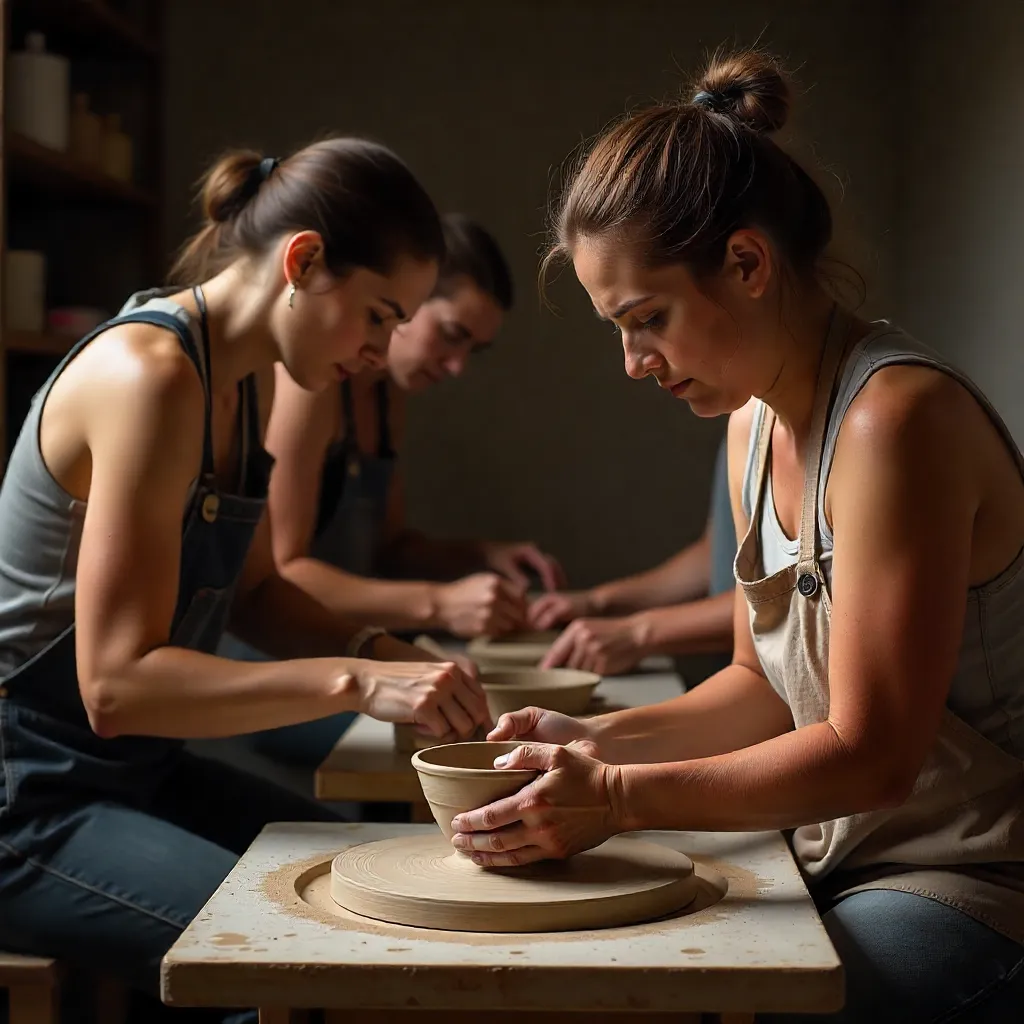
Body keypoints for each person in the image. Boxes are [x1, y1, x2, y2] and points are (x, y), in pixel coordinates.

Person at [450, 52, 1024, 1023]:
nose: (633, 363)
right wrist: (589, 741)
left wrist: (618, 796)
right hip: (824, 852)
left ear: (748, 264)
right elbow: (758, 686)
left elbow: (873, 756)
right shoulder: (749, 424)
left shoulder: (896, 421)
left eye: (647, 320)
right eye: (616, 329)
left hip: (967, 878)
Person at [0, 137, 490, 1010]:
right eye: (379, 314)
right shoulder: (148, 376)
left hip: (131, 774)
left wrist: (394, 651)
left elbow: (258, 595)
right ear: (303, 261)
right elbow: (115, 687)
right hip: (27, 794)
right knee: (305, 959)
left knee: (363, 875)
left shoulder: (249, 382)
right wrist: (357, 678)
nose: (383, 351)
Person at [226, 215, 564, 768]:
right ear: (405, 303)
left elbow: (388, 548)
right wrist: (441, 604)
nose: (456, 367)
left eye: (472, 352)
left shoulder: (385, 398)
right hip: (272, 663)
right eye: (452, 334)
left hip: (353, 654)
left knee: (491, 720)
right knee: (461, 739)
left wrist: (477, 556)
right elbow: (284, 573)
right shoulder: (311, 388)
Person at [528, 435, 734, 678]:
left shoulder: (777, 429)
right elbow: (720, 552)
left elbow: (781, 603)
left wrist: (638, 634)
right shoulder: (740, 425)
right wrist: (598, 602)